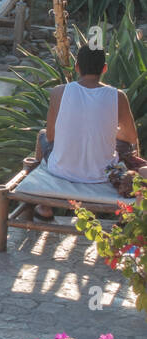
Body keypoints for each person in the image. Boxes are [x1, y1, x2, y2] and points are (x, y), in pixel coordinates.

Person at [32, 46, 147, 218]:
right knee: (123, 146)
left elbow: (51, 136)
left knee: (41, 135)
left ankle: (43, 205)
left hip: (62, 170)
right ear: (104, 68)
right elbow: (131, 137)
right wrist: (107, 131)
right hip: (102, 173)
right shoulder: (118, 96)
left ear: (77, 66)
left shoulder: (59, 92)